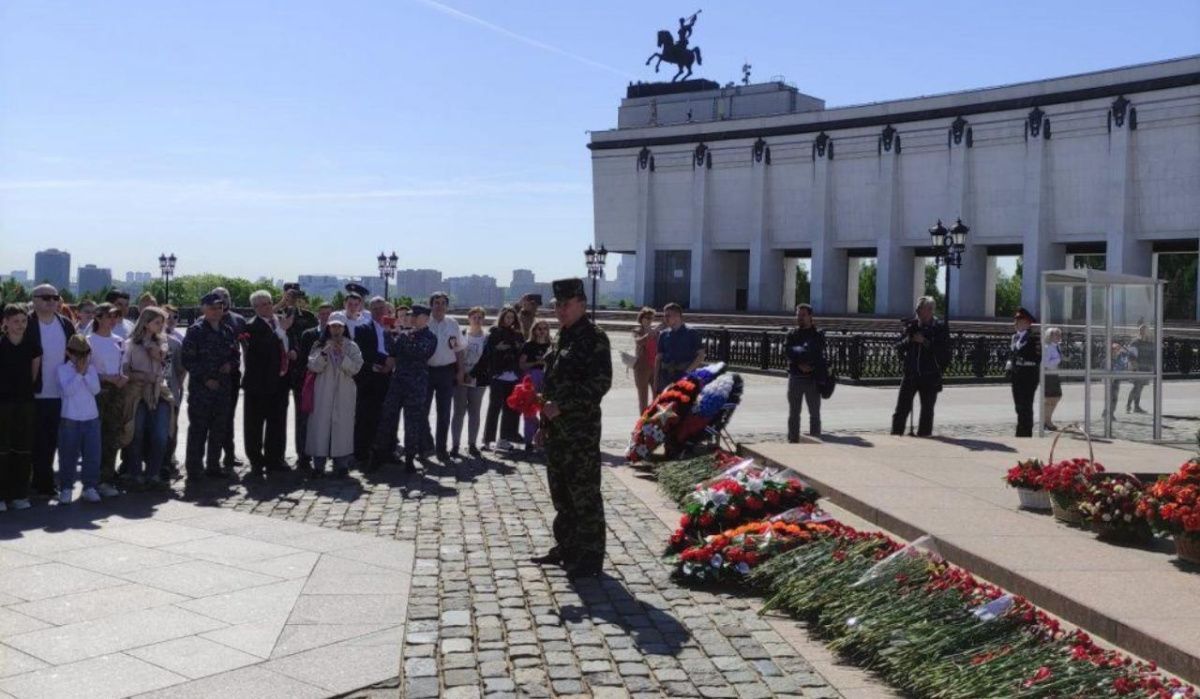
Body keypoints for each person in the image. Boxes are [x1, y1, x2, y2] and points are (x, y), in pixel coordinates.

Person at [531, 278, 612, 578]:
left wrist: (563, 407)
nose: (559, 311)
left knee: (585, 496)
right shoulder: (563, 337)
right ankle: (567, 548)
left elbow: (599, 384)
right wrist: (543, 424)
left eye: (565, 305)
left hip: (580, 433)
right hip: (557, 432)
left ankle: (589, 559)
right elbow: (552, 384)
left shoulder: (594, 338)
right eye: (556, 305)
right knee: (562, 496)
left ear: (581, 303)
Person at [25, 284, 76, 499]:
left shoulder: (65, 324)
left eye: (55, 297)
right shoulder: (25, 323)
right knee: (32, 440)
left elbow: (75, 355)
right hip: (32, 394)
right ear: (34, 300)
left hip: (59, 394)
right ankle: (31, 482)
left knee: (51, 440)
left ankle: (44, 482)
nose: (51, 301)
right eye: (45, 297)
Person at [181, 293, 240, 480]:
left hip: (223, 388)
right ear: (203, 309)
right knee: (198, 430)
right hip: (202, 390)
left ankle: (213, 466)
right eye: (213, 307)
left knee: (219, 429)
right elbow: (188, 360)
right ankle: (194, 468)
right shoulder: (196, 331)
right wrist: (206, 379)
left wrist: (231, 364)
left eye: (220, 307)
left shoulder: (227, 330)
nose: (217, 311)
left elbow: (235, 355)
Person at [374, 304, 437, 472]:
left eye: (415, 315)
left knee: (412, 423)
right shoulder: (406, 334)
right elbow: (391, 350)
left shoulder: (430, 337)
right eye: (411, 315)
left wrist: (402, 335)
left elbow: (418, 352)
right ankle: (379, 454)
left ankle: (410, 458)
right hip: (398, 383)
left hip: (416, 386)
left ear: (425, 318)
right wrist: (388, 333)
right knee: (387, 418)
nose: (412, 318)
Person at [241, 290, 294, 480]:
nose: (268, 307)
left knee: (277, 423)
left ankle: (275, 459)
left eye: (269, 303)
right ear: (255, 308)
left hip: (280, 381)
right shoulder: (252, 326)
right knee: (254, 425)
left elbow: (285, 343)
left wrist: (291, 351)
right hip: (258, 384)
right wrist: (281, 331)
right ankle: (256, 461)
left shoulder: (279, 321)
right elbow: (262, 348)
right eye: (262, 304)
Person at [123, 306, 174, 489]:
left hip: (159, 392)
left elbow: (167, 368)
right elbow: (125, 371)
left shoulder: (163, 343)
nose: (161, 326)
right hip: (137, 392)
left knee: (161, 435)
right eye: (157, 322)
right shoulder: (130, 344)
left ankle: (154, 473)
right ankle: (135, 473)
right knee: (136, 433)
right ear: (146, 323)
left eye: (163, 323)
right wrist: (144, 376)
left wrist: (159, 356)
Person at [306, 317, 363, 478]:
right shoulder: (319, 345)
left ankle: (342, 463)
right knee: (320, 426)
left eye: (339, 326)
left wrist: (342, 357)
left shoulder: (351, 346)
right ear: (328, 328)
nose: (336, 330)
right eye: (333, 327)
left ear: (344, 328)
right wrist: (325, 353)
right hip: (323, 392)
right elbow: (313, 366)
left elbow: (356, 368)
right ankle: (318, 464)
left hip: (344, 392)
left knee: (343, 426)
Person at [1, 305, 42, 511]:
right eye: (15, 321)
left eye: (23, 321)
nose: (20, 325)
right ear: (5, 322)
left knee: (23, 449)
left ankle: (19, 494)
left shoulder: (32, 345)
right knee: (2, 449)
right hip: (2, 403)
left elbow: (34, 374)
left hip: (25, 402)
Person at [890, 296, 950, 437]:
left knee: (927, 410)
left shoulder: (939, 327)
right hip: (911, 373)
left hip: (930, 375)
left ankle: (924, 436)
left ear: (929, 310)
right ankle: (895, 434)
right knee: (901, 408)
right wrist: (909, 339)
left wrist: (924, 341)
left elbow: (943, 351)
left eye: (919, 309)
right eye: (916, 309)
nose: (917, 311)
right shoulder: (912, 326)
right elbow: (898, 346)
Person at [56, 334, 102, 504]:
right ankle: (66, 488)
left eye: (85, 353)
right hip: (70, 418)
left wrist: (84, 373)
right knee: (68, 455)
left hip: (91, 418)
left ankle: (90, 487)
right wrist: (79, 374)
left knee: (92, 455)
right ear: (68, 353)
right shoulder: (62, 370)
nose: (82, 358)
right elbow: (68, 391)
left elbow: (96, 390)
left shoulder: (91, 369)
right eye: (77, 353)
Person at [88, 303, 129, 495]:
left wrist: (122, 377)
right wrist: (104, 377)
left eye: (116, 316)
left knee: (112, 434)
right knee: (95, 435)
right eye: (109, 316)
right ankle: (92, 481)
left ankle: (106, 479)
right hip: (98, 390)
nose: (113, 320)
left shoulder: (120, 340)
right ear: (98, 317)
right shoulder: (89, 340)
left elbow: (123, 364)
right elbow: (85, 368)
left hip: (117, 390)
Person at [476, 306, 524, 451]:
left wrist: (516, 348)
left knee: (510, 408)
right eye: (506, 317)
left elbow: (521, 353)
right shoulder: (494, 332)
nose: (509, 320)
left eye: (511, 317)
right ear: (502, 318)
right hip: (498, 375)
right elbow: (487, 353)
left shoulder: (518, 334)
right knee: (494, 407)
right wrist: (498, 349)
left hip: (513, 376)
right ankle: (487, 439)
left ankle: (504, 438)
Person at [352, 294, 393, 465]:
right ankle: (362, 453)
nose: (378, 311)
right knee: (366, 417)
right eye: (374, 308)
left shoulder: (393, 327)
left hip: (391, 376)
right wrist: (386, 361)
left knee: (389, 417)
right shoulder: (362, 329)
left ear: (386, 309)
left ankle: (386, 451)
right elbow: (365, 352)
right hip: (371, 378)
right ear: (370, 310)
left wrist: (393, 360)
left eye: (381, 308)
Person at [424, 292, 464, 461]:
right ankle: (426, 446)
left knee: (444, 413)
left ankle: (441, 449)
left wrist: (461, 370)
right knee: (422, 411)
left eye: (443, 303)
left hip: (446, 372)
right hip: (426, 372)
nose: (439, 306)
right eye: (436, 303)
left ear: (447, 306)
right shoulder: (424, 322)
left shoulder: (452, 324)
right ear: (431, 305)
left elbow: (459, 348)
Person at [280, 285, 318, 469]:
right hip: (279, 371)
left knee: (303, 414)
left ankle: (303, 454)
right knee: (277, 415)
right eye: (289, 295)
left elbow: (314, 341)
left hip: (300, 371)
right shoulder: (277, 315)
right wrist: (282, 304)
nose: (293, 299)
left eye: (296, 296)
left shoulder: (308, 317)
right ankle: (276, 455)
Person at [784, 303, 827, 440]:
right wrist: (799, 363)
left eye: (803, 315)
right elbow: (788, 351)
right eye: (798, 315)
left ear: (810, 316)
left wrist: (809, 364)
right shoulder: (792, 334)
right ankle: (793, 439)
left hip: (812, 378)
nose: (800, 318)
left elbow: (816, 353)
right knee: (794, 413)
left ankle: (815, 439)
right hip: (796, 377)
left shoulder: (818, 335)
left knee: (814, 413)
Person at [452, 307, 488, 458]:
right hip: (461, 378)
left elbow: (487, 360)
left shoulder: (487, 338)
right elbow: (454, 354)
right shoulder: (461, 334)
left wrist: (473, 374)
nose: (477, 320)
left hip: (477, 380)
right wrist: (460, 373)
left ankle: (472, 443)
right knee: (458, 412)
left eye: (480, 317)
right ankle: (455, 445)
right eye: (474, 317)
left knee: (475, 412)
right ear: (469, 318)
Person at [654, 303, 704, 392]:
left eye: (668, 315)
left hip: (684, 376)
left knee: (683, 404)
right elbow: (658, 358)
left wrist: (687, 372)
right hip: (665, 377)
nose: (665, 318)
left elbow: (701, 355)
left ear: (677, 316)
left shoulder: (692, 333)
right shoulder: (664, 334)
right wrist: (656, 381)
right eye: (664, 316)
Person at [1007, 307, 1041, 438]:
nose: (1015, 324)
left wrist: (1023, 359)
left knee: (1026, 406)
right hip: (1017, 376)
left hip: (1029, 376)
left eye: (1019, 321)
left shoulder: (1033, 338)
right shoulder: (1015, 338)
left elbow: (1038, 357)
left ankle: (1026, 433)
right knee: (1018, 406)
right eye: (1015, 321)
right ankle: (1020, 431)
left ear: (1027, 323)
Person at [520, 320, 552, 452]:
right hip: (532, 376)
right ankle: (529, 440)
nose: (542, 331)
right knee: (529, 409)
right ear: (534, 330)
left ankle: (544, 439)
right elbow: (522, 364)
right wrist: (536, 362)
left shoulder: (551, 345)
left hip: (547, 377)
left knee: (546, 408)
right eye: (539, 328)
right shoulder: (529, 345)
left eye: (545, 328)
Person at [162, 305, 187, 476]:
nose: (171, 320)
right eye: (167, 316)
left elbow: (181, 368)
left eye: (174, 317)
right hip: (154, 389)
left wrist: (178, 385)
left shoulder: (177, 340)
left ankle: (169, 459)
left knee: (172, 426)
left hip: (172, 388)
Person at [631, 308, 660, 414]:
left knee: (657, 394)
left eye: (652, 318)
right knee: (643, 396)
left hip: (655, 366)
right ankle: (643, 422)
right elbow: (639, 341)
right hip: (642, 367)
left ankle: (655, 418)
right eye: (647, 318)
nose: (649, 320)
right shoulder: (637, 330)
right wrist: (649, 334)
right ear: (641, 318)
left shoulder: (657, 332)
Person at [1126, 324, 1152, 414]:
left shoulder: (1149, 343)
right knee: (1136, 387)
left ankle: (1136, 406)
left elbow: (1151, 356)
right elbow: (1131, 356)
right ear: (1140, 332)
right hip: (1138, 368)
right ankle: (1129, 406)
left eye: (1146, 331)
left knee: (1140, 388)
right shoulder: (1135, 342)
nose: (1145, 332)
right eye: (1143, 330)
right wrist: (1134, 367)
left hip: (1146, 368)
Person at [1042, 327, 1064, 432]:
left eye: (1060, 334)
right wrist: (1058, 359)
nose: (1059, 336)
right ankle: (1047, 422)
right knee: (1051, 398)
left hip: (1054, 374)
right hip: (1049, 375)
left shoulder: (1057, 346)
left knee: (1055, 398)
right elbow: (1046, 363)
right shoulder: (1047, 347)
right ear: (1050, 336)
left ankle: (1046, 421)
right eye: (1056, 334)